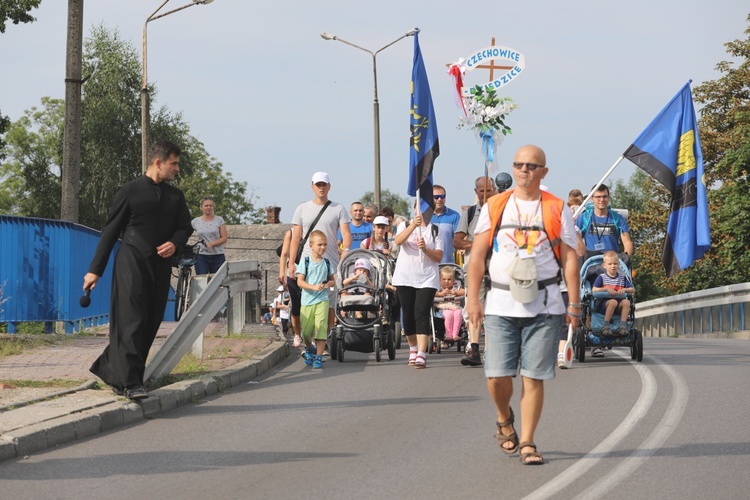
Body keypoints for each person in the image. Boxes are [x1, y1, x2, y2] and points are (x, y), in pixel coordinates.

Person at [466, 145, 581, 465]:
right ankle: (504, 418)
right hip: (501, 303)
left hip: (544, 305)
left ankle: (528, 442)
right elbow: (476, 256)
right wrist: (472, 299)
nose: (524, 170)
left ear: (543, 171)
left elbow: (570, 258)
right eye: (519, 164)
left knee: (533, 377)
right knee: (497, 376)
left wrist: (574, 304)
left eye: (532, 166)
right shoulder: (495, 205)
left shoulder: (557, 208)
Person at [83, 140, 193, 400]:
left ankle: (112, 369)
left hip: (160, 266)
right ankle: (131, 383)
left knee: (150, 321)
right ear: (158, 162)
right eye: (174, 163)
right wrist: (94, 270)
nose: (177, 168)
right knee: (132, 320)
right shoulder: (129, 191)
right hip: (131, 264)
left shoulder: (175, 196)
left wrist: (175, 244)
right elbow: (110, 232)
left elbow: (185, 227)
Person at [288, 172, 351, 340]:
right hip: (308, 263)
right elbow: (296, 237)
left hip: (329, 261)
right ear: (312, 187)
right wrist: (292, 263)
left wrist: (345, 250)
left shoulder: (338, 208)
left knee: (329, 304)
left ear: (329, 186)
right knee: (309, 302)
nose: (321, 188)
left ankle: (326, 337)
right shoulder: (302, 208)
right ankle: (309, 337)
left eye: (324, 184)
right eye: (318, 185)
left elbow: (346, 233)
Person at [392, 201, 444, 368]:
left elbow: (439, 257)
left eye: (426, 208)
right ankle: (413, 349)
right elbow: (398, 241)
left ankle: (422, 353)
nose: (422, 211)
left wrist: (426, 249)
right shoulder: (404, 225)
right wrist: (413, 226)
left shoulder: (436, 230)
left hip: (426, 278)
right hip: (405, 277)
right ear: (414, 208)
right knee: (407, 314)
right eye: (419, 207)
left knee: (420, 313)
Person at [453, 176, 497, 366]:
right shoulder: (470, 214)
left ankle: (492, 350)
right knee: (474, 307)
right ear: (476, 192)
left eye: (489, 190)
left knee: (495, 309)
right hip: (475, 267)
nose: (485, 193)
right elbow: (457, 241)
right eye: (481, 190)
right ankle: (474, 347)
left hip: (498, 266)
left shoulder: (502, 210)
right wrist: (478, 244)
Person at [297, 230, 335, 369]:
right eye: (319, 244)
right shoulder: (305, 262)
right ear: (311, 245)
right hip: (307, 301)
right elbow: (300, 282)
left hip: (322, 300)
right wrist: (313, 287)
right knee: (306, 333)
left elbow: (333, 281)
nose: (323, 247)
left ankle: (318, 357)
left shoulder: (327, 262)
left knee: (320, 328)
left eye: (325, 244)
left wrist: (327, 284)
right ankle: (309, 349)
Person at [576, 183, 633, 261]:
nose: (602, 200)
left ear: (609, 198)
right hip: (590, 265)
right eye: (598, 197)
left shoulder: (617, 218)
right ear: (592, 198)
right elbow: (575, 240)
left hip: (611, 265)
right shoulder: (584, 218)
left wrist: (625, 260)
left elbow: (627, 242)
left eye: (604, 196)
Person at [593, 250, 635, 336]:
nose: (613, 266)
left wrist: (625, 290)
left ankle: (623, 326)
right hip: (605, 304)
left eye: (615, 264)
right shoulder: (601, 277)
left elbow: (632, 289)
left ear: (618, 264)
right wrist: (606, 289)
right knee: (613, 302)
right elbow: (594, 289)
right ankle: (606, 326)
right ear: (604, 265)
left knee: (627, 302)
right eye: (610, 264)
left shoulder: (622, 278)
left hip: (619, 304)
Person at [278, 227, 303, 346]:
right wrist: (282, 272)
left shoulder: (314, 228)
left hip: (310, 273)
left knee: (311, 305)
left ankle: (313, 336)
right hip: (293, 273)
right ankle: (297, 334)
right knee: (296, 305)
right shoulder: (291, 232)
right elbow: (283, 254)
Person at [191, 197, 227, 275]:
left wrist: (212, 244)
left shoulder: (219, 220)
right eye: (206, 205)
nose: (208, 207)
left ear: (213, 207)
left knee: (218, 280)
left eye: (210, 205)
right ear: (201, 207)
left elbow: (224, 238)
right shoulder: (195, 221)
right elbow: (185, 232)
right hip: (201, 255)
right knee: (202, 279)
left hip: (217, 255)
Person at [431, 185, 461, 264]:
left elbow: (458, 240)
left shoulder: (455, 216)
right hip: (429, 265)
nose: (440, 199)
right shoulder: (424, 217)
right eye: (436, 197)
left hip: (447, 264)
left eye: (442, 196)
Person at [434, 266, 465, 342]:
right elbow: (433, 293)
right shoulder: (439, 287)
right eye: (444, 279)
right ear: (440, 280)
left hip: (455, 307)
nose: (446, 281)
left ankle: (455, 334)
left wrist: (456, 293)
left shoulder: (456, 286)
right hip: (444, 308)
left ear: (453, 280)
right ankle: (448, 335)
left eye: (449, 279)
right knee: (448, 314)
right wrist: (441, 294)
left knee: (459, 313)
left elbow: (464, 292)